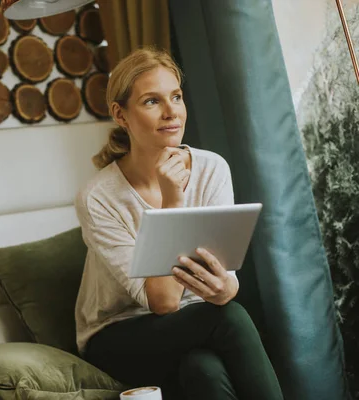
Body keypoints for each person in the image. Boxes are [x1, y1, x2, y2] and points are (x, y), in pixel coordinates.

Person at [74, 47, 283, 400]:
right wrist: (172, 203)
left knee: (203, 368)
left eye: (176, 96)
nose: (171, 112)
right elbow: (164, 303)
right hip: (117, 334)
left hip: (193, 321)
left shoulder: (211, 169)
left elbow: (223, 279)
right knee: (228, 319)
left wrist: (225, 288)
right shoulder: (98, 197)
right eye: (152, 101)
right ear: (120, 114)